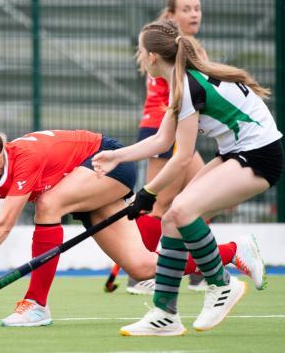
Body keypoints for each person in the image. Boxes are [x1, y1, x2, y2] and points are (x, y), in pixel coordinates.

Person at [0, 114, 264, 327]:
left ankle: (35, 305)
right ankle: (232, 252)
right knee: (141, 268)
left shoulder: (24, 158)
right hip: (83, 183)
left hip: (106, 162)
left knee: (48, 204)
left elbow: (3, 227)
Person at [93, 18, 282, 336]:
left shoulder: (188, 88)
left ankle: (222, 285)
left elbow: (181, 158)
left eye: (141, 52)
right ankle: (164, 315)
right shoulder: (183, 83)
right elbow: (162, 142)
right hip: (236, 153)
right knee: (171, 220)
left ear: (152, 57)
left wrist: (148, 193)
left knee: (181, 211)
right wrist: (117, 155)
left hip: (260, 155)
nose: (141, 58)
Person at [126, 0, 209, 295]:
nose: (194, 14)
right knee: (159, 203)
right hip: (163, 129)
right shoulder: (169, 48)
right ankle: (140, 273)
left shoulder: (182, 46)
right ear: (171, 16)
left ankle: (199, 268)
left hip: (175, 129)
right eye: (186, 9)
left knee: (203, 196)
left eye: (197, 8)